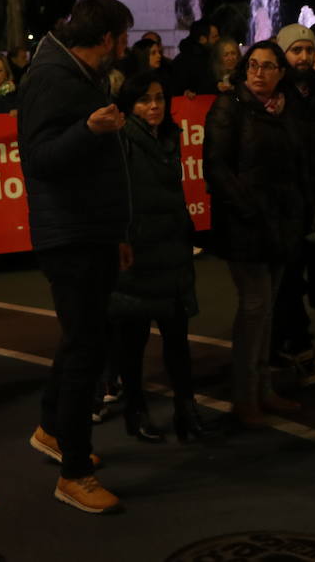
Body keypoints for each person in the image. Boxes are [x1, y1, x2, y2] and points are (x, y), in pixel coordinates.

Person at [16, 0, 135, 514]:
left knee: (82, 338)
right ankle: (74, 473)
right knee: (87, 346)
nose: (126, 49)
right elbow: (38, 159)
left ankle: (52, 427)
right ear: (106, 39)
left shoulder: (71, 71)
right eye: (124, 38)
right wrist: (89, 131)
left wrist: (117, 231)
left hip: (90, 229)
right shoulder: (52, 77)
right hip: (70, 234)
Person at [204, 40, 309, 429]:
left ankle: (262, 390)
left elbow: (297, 166)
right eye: (253, 65)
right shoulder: (228, 109)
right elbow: (216, 169)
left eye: (267, 66)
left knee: (267, 310)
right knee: (254, 307)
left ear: (280, 72)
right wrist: (249, 209)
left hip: (281, 223)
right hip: (245, 226)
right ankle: (245, 397)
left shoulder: (286, 111)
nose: (259, 73)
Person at [109, 71, 208, 443]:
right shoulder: (122, 139)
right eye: (144, 100)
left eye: (159, 99)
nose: (154, 106)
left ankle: (186, 408)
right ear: (130, 104)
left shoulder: (169, 135)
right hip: (139, 252)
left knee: (177, 339)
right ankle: (135, 409)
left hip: (171, 250)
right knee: (132, 341)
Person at [271, 23, 315, 388]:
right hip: (286, 201)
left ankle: (280, 344)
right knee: (288, 278)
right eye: (296, 51)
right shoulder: (274, 96)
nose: (304, 57)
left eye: (308, 50)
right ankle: (299, 346)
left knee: (303, 277)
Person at [171, 18, 219, 96]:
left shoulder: (207, 56)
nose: (218, 39)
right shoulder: (191, 61)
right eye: (214, 37)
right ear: (202, 39)